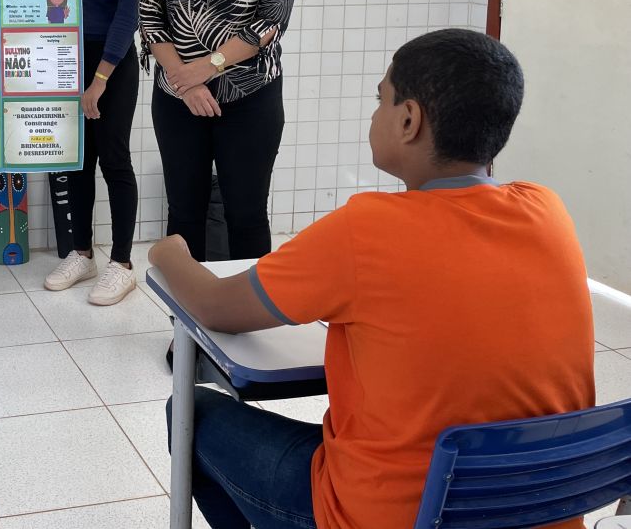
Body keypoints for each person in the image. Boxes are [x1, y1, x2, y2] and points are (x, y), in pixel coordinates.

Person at [149, 29, 596, 529]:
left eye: (380, 99)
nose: (375, 113)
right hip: (538, 509)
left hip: (392, 515)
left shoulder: (366, 229)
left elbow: (214, 306)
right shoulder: (547, 210)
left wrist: (170, 253)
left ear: (409, 121)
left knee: (192, 411)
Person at [139, 0, 296, 267]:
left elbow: (270, 21)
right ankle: (186, 311)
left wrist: (208, 67)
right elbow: (150, 18)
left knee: (246, 213)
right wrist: (186, 81)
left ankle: (247, 309)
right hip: (178, 98)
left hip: (251, 96)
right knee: (183, 213)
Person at [42, 0, 154, 305]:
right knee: (77, 159)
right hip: (69, 57)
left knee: (114, 159)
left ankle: (122, 264)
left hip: (113, 62)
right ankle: (82, 253)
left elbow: (129, 14)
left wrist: (100, 78)